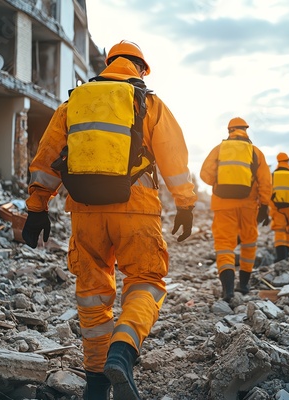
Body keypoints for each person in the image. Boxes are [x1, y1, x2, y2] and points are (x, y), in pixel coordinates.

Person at [21, 40, 197, 400]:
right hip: (136, 207)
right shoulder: (148, 103)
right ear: (141, 69)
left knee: (92, 294)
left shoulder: (74, 103)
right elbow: (174, 160)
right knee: (146, 279)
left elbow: (46, 158)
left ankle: (97, 384)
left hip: (84, 210)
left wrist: (37, 207)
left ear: (107, 64)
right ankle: (123, 349)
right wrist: (185, 203)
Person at [200, 117, 272, 302]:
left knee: (224, 245)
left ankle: (228, 290)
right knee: (248, 242)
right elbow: (265, 181)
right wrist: (264, 205)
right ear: (246, 130)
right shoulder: (256, 152)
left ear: (229, 131)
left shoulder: (219, 149)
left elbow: (204, 175)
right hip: (248, 206)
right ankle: (244, 284)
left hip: (223, 205)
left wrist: (219, 182)